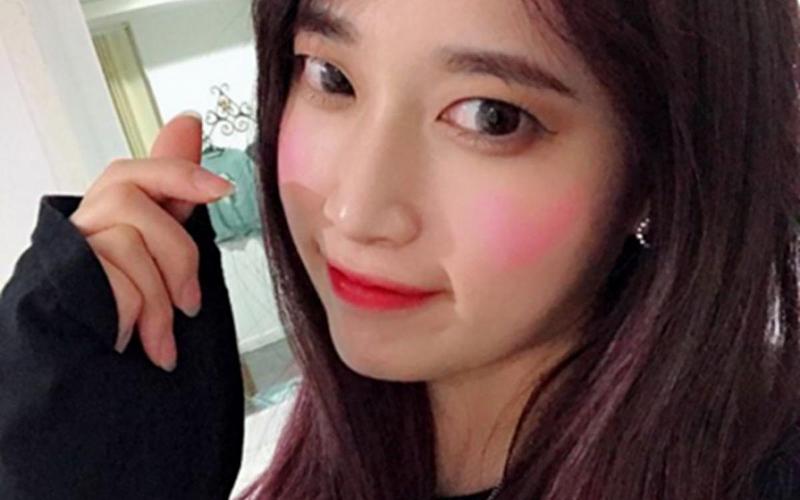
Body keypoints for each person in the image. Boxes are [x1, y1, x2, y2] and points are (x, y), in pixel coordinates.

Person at [1, 0, 799, 499]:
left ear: (656, 172)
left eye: (490, 117)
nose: (355, 212)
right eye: (331, 77)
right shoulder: (317, 457)